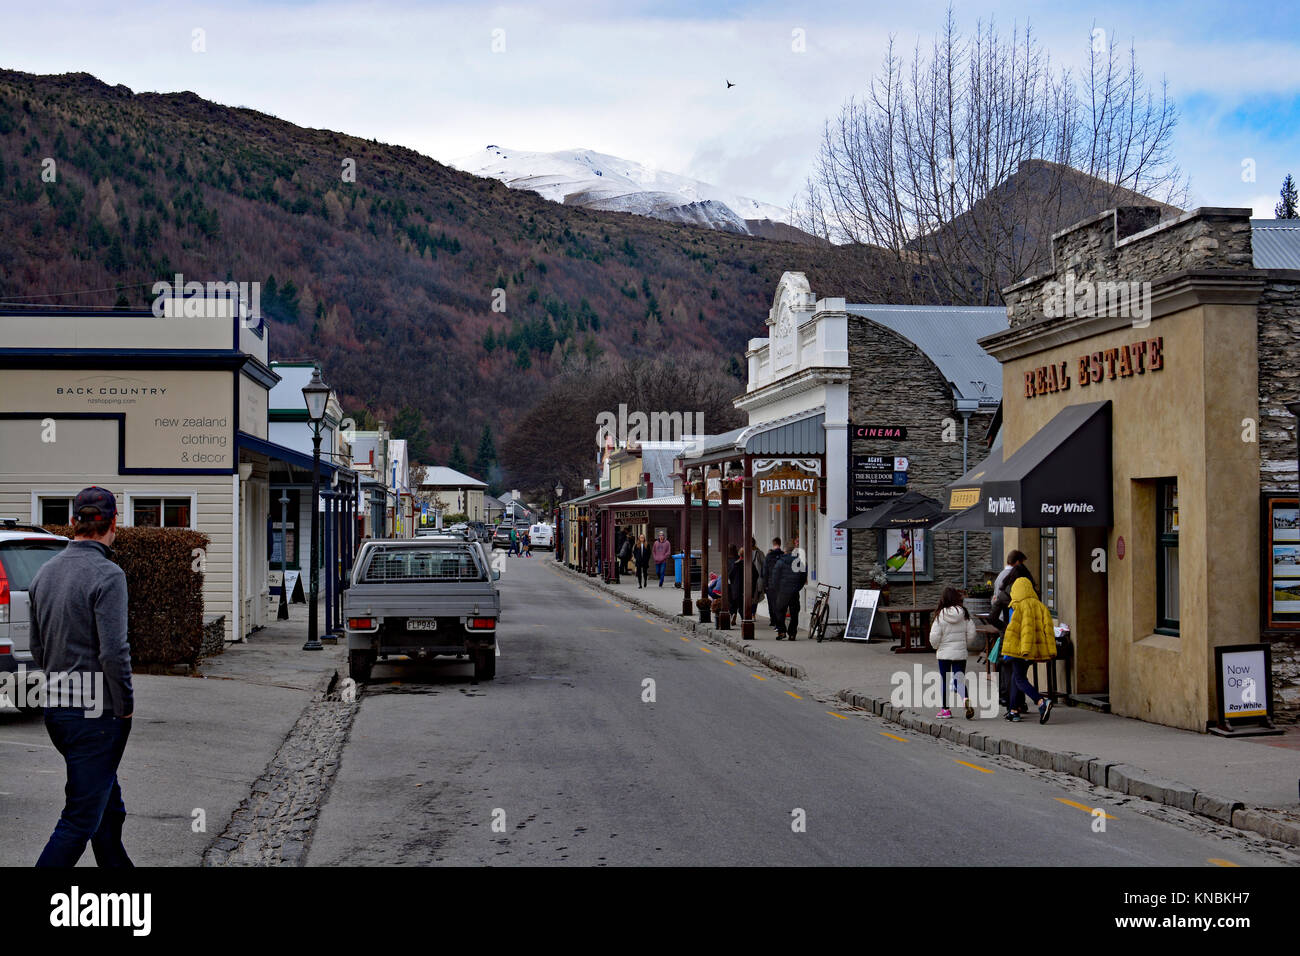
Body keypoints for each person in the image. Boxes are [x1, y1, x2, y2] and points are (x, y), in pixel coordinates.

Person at [28, 487, 134, 867]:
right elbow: (113, 652)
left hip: (58, 710)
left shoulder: (44, 573)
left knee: (108, 814)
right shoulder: (108, 574)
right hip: (97, 717)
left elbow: (37, 647)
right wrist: (125, 708)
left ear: (74, 522)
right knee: (78, 822)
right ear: (113, 523)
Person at [1001, 577, 1056, 723]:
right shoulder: (1040, 606)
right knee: (1016, 677)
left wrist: (1012, 651)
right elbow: (1049, 630)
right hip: (1033, 650)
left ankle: (1041, 701)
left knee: (1019, 679)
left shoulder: (1018, 606)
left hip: (1020, 649)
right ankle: (1013, 711)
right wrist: (1050, 650)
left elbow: (1017, 630)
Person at [990, 551, 1036, 712]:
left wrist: (1004, 627)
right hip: (1027, 637)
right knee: (1019, 673)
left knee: (1011, 671)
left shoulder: (1004, 594)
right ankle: (1018, 704)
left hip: (1009, 636)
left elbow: (992, 616)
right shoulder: (1032, 596)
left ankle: (1014, 705)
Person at [929, 587, 977, 719]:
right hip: (960, 653)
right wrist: (965, 644)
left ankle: (945, 710)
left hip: (944, 653)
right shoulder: (964, 614)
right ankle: (965, 699)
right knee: (959, 679)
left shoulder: (940, 616)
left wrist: (936, 646)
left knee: (944, 680)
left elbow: (934, 636)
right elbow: (972, 633)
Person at [770, 536, 807, 640]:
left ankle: (781, 631)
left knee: (780, 611)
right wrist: (797, 588)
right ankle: (792, 633)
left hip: (783, 591)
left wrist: (778, 589)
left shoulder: (780, 562)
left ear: (785, 550)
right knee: (794, 613)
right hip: (794, 591)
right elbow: (803, 577)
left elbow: (775, 577)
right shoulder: (800, 561)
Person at [763, 538, 784, 628]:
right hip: (782, 583)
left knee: (772, 603)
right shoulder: (783, 555)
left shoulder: (769, 556)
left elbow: (764, 572)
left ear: (773, 544)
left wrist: (765, 585)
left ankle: (773, 620)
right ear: (780, 543)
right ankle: (779, 622)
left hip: (771, 583)